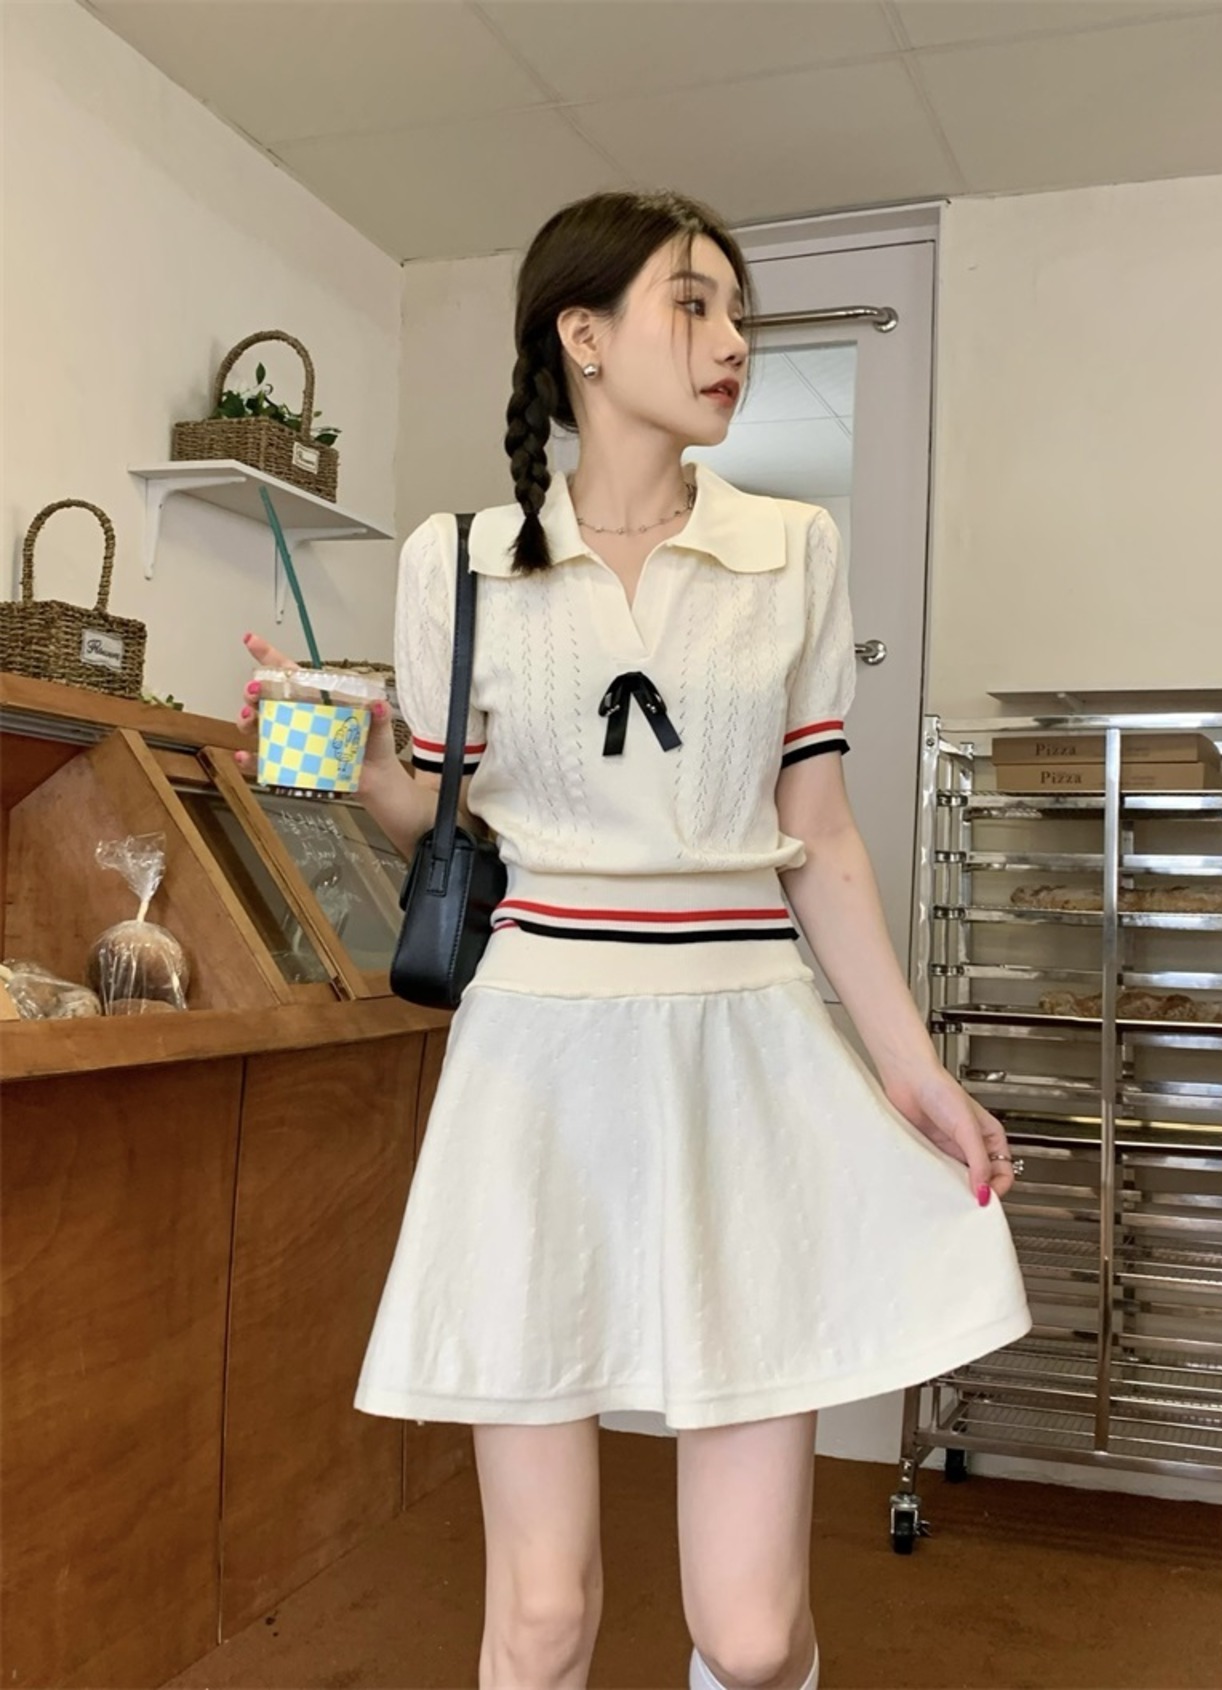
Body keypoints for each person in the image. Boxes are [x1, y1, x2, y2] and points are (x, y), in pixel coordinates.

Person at [238, 189, 1031, 1690]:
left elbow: (821, 833)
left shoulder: (791, 547)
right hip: (536, 1057)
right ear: (584, 336)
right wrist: (342, 756)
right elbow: (439, 823)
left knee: (751, 1631)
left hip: (749, 1045)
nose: (732, 340)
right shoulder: (459, 558)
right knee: (540, 1619)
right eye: (693, 303)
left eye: (739, 312)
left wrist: (913, 1068)